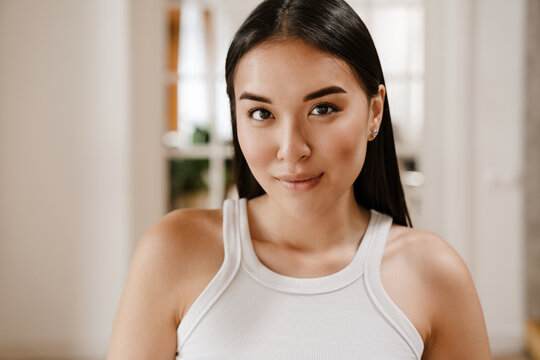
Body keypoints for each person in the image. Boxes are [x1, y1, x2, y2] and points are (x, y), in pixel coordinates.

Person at [107, 0, 492, 358]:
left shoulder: (434, 273)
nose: (292, 149)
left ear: (374, 112)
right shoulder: (174, 251)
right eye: (261, 113)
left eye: (323, 108)